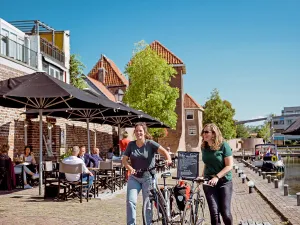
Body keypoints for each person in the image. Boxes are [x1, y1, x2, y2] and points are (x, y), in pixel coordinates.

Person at [122, 122, 172, 225]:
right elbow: (124, 160)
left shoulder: (150, 143)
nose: (138, 133)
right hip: (134, 178)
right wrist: (129, 167)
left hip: (148, 177)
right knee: (131, 202)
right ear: (134, 132)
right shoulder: (131, 145)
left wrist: (168, 159)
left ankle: (147, 223)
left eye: (140, 131)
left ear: (144, 132)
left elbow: (165, 152)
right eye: (136, 131)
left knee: (148, 204)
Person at [200, 123, 233, 225]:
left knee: (226, 214)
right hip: (209, 182)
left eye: (206, 132)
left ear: (214, 134)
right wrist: (202, 176)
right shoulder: (204, 147)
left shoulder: (224, 146)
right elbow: (207, 164)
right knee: (214, 215)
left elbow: (229, 166)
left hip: (224, 182)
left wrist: (217, 177)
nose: (203, 134)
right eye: (203, 132)